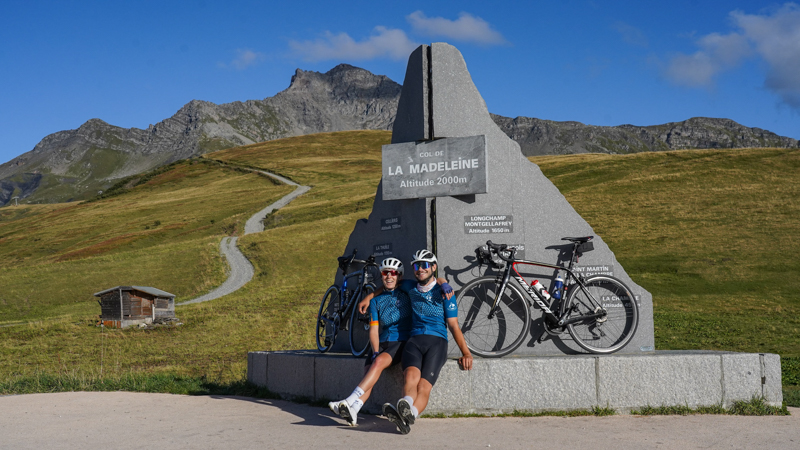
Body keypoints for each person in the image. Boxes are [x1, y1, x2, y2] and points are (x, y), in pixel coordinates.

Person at [361, 249, 473, 434]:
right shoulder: (410, 287)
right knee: (410, 378)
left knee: (423, 386)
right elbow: (390, 284)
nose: (420, 268)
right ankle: (404, 410)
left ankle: (410, 413)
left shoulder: (445, 292)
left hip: (436, 342)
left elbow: (454, 326)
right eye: (416, 265)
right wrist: (369, 296)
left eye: (425, 265)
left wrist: (466, 352)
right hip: (414, 341)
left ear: (433, 267)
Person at [328, 257, 411, 426]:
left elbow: (427, 284)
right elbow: (374, 329)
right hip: (382, 342)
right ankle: (354, 409)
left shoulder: (407, 292)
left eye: (393, 273)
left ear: (399, 277)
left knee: (379, 361)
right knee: (370, 371)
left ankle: (349, 400)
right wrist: (374, 351)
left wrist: (443, 282)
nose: (389, 276)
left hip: (401, 341)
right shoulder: (375, 301)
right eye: (385, 273)